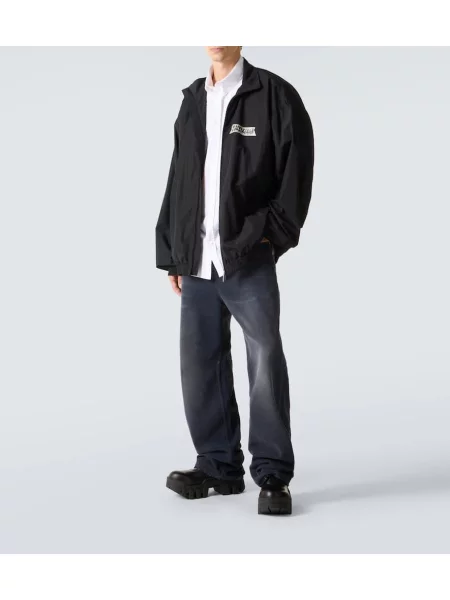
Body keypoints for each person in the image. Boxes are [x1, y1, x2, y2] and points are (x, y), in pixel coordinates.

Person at [155, 46, 314, 515]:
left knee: (264, 361)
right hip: (197, 259)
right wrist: (174, 252)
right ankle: (218, 466)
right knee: (199, 364)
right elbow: (179, 177)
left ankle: (273, 475)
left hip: (248, 257)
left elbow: (297, 172)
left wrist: (270, 237)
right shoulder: (193, 100)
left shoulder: (275, 96)